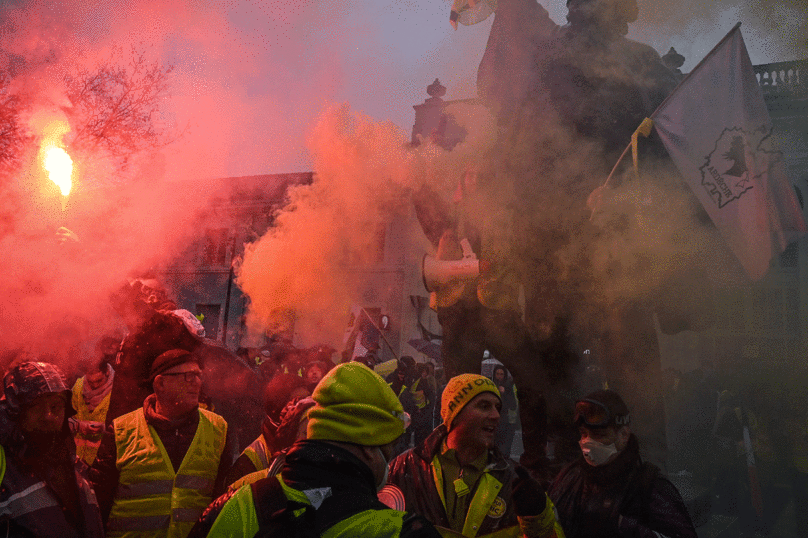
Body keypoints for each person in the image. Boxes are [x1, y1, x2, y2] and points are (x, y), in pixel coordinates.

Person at [192, 362, 441, 537]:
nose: (387, 464)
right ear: (368, 447)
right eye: (386, 451)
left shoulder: (239, 505)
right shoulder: (400, 531)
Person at [388, 373, 563, 538]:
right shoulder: (404, 468)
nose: (496, 415)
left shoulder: (514, 481)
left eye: (497, 407)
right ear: (455, 414)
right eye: (484, 406)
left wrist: (538, 519)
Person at [90, 349, 234, 537]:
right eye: (188, 376)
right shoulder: (121, 430)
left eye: (199, 375)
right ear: (160, 383)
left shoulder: (219, 429)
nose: (197, 382)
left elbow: (221, 502)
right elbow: (97, 504)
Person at [548, 389, 697, 538]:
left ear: (623, 435)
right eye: (584, 434)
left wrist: (625, 527)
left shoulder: (649, 487)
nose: (588, 442)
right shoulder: (569, 478)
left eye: (599, 435)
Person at [0, 361, 105, 537]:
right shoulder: (5, 462)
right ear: (16, 409)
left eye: (56, 406)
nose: (48, 416)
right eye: (35, 405)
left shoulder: (73, 464)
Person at [223, 373, 309, 487]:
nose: (308, 409)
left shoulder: (314, 441)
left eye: (308, 400)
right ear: (280, 412)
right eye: (297, 404)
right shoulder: (250, 461)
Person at [71, 356, 115, 466]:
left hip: (103, 462)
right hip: (77, 459)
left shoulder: (117, 391)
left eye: (99, 381)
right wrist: (79, 425)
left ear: (107, 373)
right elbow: (64, 420)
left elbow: (124, 426)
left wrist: (106, 429)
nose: (95, 386)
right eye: (90, 382)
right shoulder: (77, 387)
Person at [490, 364, 518, 458]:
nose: (499, 376)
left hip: (504, 419)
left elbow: (513, 405)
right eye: (497, 374)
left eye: (501, 374)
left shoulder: (508, 386)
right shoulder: (491, 384)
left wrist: (505, 393)